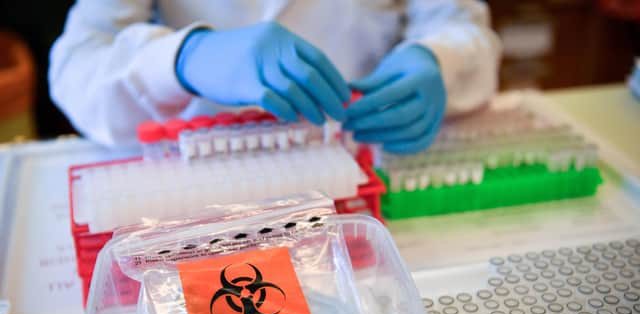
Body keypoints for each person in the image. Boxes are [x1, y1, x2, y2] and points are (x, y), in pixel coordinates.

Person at [49, 0, 500, 154]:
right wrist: (185, 58)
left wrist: (436, 59)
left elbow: (457, 21)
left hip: (360, 160)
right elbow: (78, 64)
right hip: (193, 176)